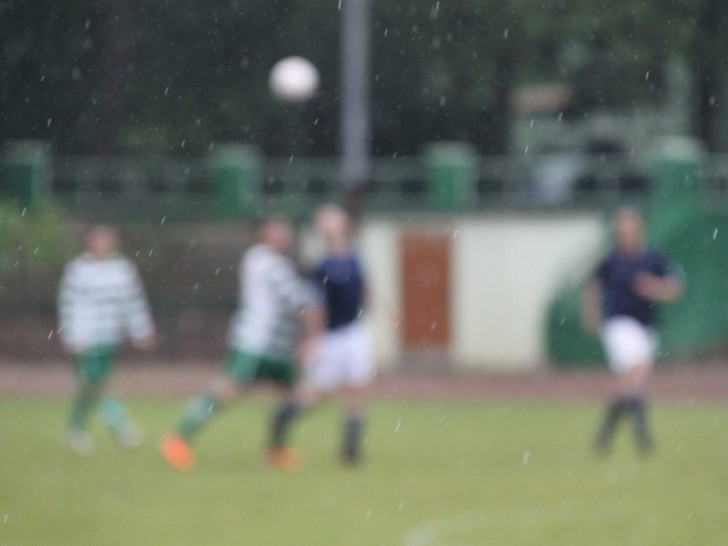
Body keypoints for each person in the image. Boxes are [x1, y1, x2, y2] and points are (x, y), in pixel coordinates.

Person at [161, 217, 323, 472]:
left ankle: (276, 451)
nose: (285, 233)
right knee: (228, 390)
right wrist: (315, 305)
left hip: (277, 348)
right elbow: (299, 299)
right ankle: (178, 438)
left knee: (301, 396)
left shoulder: (273, 263)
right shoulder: (262, 260)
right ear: (265, 234)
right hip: (256, 343)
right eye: (278, 229)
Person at [268, 204, 375, 467]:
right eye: (324, 222)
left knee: (358, 389)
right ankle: (279, 428)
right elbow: (316, 308)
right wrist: (312, 341)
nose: (329, 226)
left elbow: (365, 289)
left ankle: (351, 450)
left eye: (333, 220)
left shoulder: (355, 256)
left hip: (354, 332)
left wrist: (386, 309)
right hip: (330, 337)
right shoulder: (322, 267)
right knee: (315, 395)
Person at [581, 208, 684, 454]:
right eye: (622, 232)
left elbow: (676, 288)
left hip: (646, 326)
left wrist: (655, 287)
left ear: (639, 232)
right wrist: (592, 314)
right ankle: (642, 434)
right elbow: (592, 286)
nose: (627, 237)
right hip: (618, 324)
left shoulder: (653, 258)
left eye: (631, 232)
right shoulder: (611, 260)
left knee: (629, 383)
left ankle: (606, 432)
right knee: (638, 371)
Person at [58, 225, 156, 455]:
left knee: (92, 385)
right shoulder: (78, 270)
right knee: (95, 383)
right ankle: (122, 428)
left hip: (109, 336)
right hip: (85, 337)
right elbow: (67, 304)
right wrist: (71, 335)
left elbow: (133, 302)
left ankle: (75, 429)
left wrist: (142, 330)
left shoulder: (122, 269)